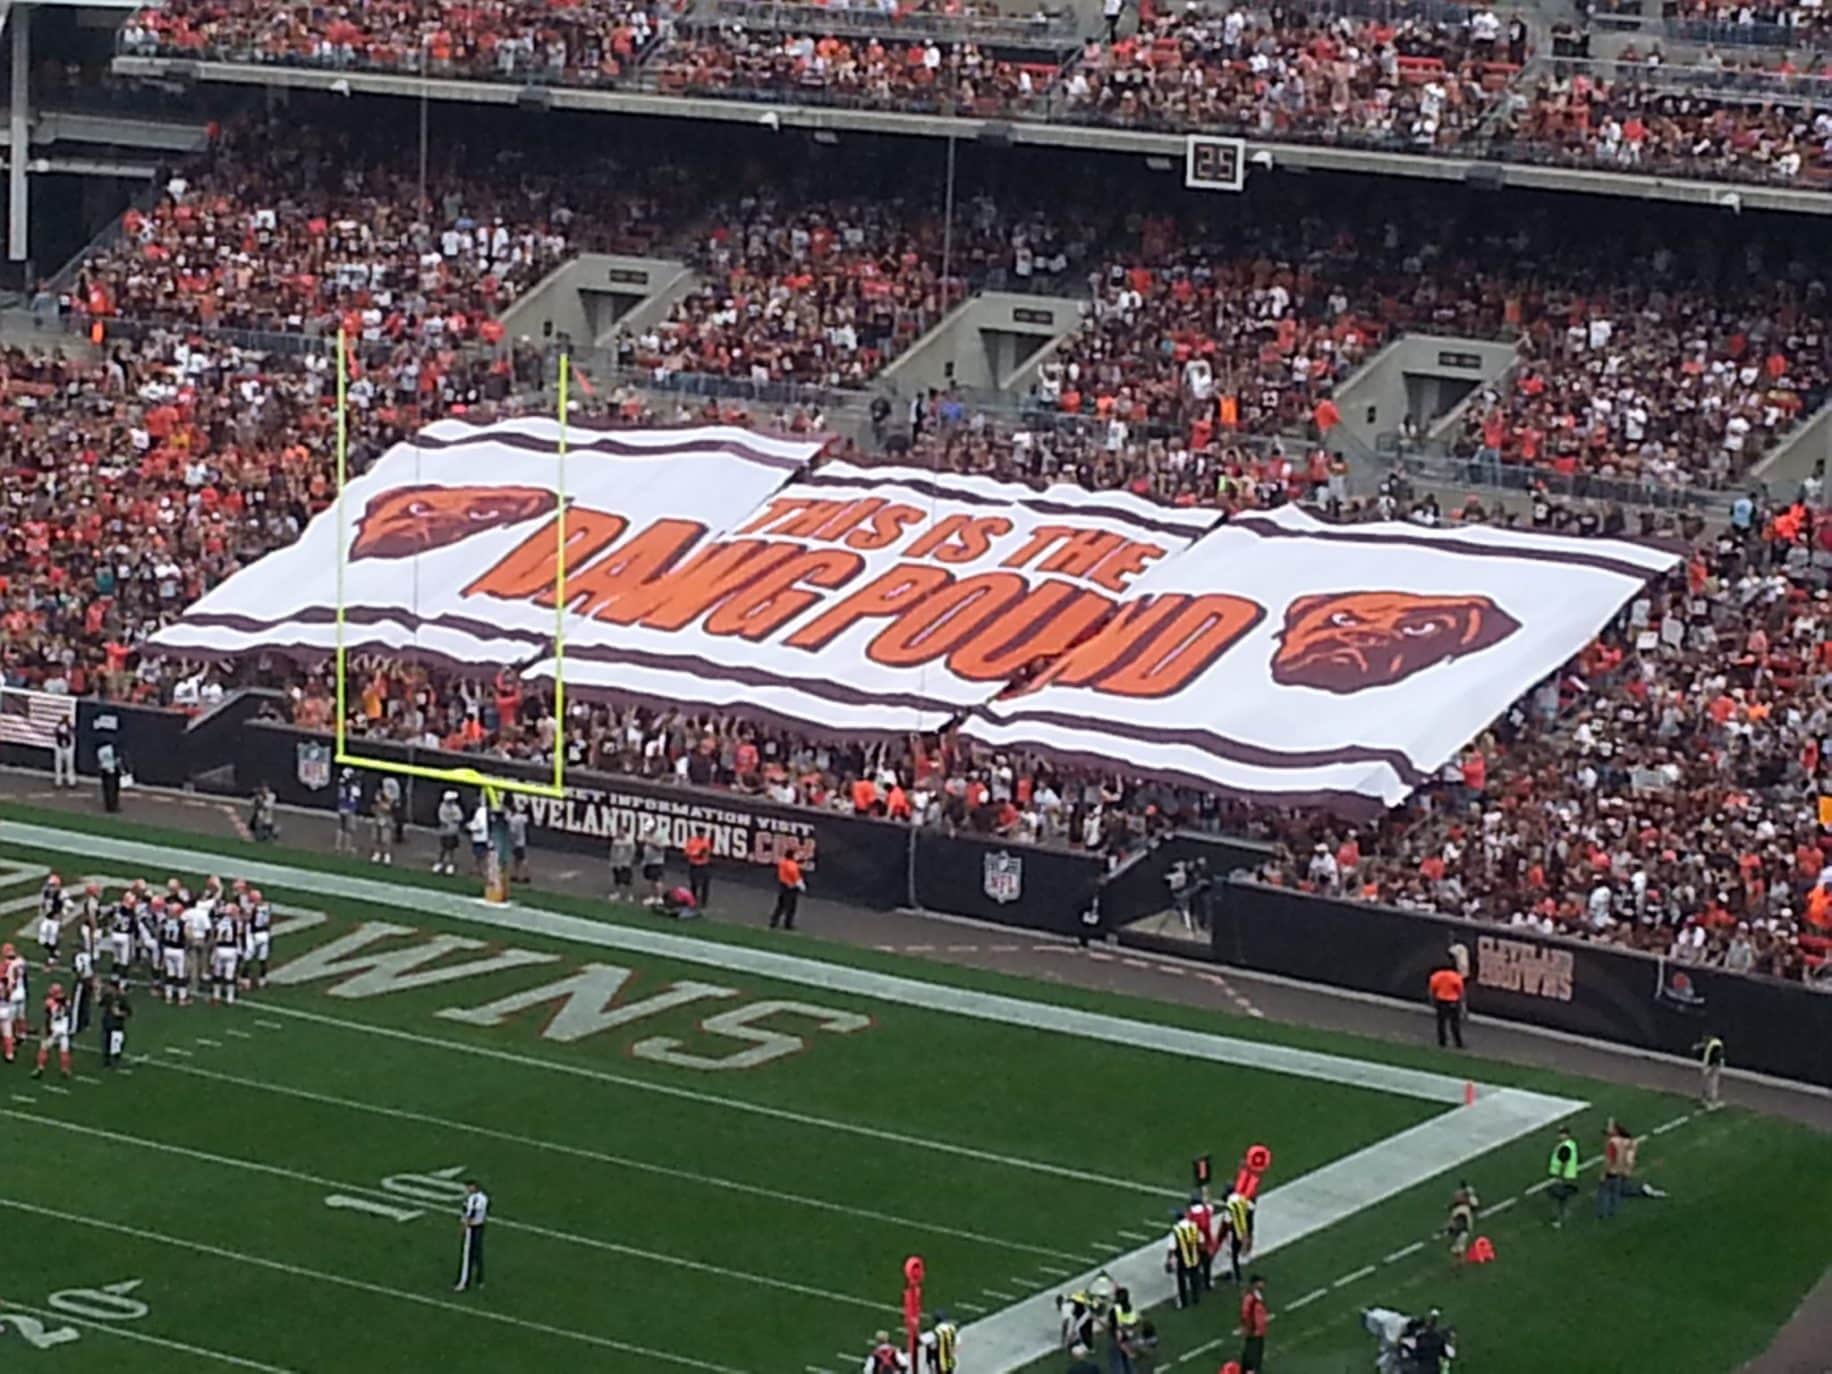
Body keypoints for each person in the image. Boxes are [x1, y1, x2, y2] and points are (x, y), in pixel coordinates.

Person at [32, 983, 73, 1080]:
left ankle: (40, 1068)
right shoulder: (67, 1002)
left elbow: (48, 1016)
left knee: (44, 1048)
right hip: (64, 1030)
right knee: (64, 1050)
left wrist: (46, 1030)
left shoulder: (50, 1002)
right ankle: (65, 1069)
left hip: (54, 1029)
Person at [454, 1179, 489, 1292]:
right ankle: (480, 1280)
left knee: (467, 1256)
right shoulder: (483, 1197)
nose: (467, 1189)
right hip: (480, 1227)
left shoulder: (474, 1199)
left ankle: (464, 1283)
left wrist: (464, 1226)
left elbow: (471, 1214)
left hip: (472, 1228)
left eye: (469, 1187)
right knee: (477, 1254)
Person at [1167, 1206, 1205, 1307]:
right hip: (1195, 1256)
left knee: (1181, 1281)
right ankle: (1195, 1297)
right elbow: (1201, 1240)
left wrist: (1169, 1260)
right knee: (1194, 1277)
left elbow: (1172, 1247)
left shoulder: (1176, 1231)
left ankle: (1184, 1301)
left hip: (1182, 1259)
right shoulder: (1194, 1226)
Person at [1546, 1125, 1580, 1227]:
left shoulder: (1565, 1147)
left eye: (1561, 1133)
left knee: (1558, 1198)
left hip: (1563, 1177)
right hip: (1568, 1175)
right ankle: (1564, 1215)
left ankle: (1559, 1219)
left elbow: (1563, 1162)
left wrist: (1559, 1177)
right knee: (1563, 1198)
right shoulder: (1571, 1144)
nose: (1559, 1136)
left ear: (1566, 1134)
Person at [1237, 1274, 1270, 1374]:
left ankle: (1251, 1370)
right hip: (1254, 1331)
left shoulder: (1257, 1295)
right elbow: (1245, 1313)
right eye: (1260, 1282)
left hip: (1258, 1330)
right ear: (1255, 1284)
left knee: (1255, 1354)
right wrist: (1249, 1327)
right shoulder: (1250, 1298)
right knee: (1252, 1354)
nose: (1263, 1284)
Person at [1428, 960, 1465, 1048]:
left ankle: (1442, 1042)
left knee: (1441, 1022)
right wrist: (1462, 1004)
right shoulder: (1456, 977)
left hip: (1441, 1001)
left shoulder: (1436, 976)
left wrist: (1432, 1001)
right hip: (1453, 1001)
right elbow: (1461, 992)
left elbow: (1432, 990)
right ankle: (1458, 1043)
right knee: (1454, 1023)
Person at [770, 845, 806, 931]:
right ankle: (788, 924)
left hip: (783, 886)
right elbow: (796, 878)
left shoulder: (782, 862)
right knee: (791, 907)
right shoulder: (792, 866)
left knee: (781, 905)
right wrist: (802, 887)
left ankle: (774, 921)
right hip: (790, 888)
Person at [99, 977, 131, 1068]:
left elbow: (128, 1012)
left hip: (117, 1024)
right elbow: (100, 1003)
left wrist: (119, 1014)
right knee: (107, 1043)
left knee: (117, 1043)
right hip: (108, 1023)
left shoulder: (121, 998)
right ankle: (107, 1061)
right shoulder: (108, 996)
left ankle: (115, 1060)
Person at [1445, 1180, 1479, 1261]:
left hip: (1462, 1228)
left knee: (1458, 1248)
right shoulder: (1462, 1206)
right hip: (1463, 1226)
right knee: (1457, 1248)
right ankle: (1459, 1261)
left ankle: (1460, 1262)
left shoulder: (1463, 1209)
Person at [1691, 1033, 1725, 1109]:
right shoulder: (1714, 1043)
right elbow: (1717, 1055)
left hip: (1709, 1065)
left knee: (1707, 1083)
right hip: (1711, 1066)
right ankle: (1711, 1102)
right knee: (1712, 1084)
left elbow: (1716, 1055)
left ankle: (1705, 1100)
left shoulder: (1714, 1044)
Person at [683, 825, 713, 909]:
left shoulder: (706, 841)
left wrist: (702, 854)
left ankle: (704, 902)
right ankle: (692, 900)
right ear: (698, 833)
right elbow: (686, 853)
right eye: (701, 833)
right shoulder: (692, 841)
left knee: (705, 884)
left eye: (703, 833)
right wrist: (696, 854)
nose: (702, 834)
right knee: (694, 884)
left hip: (704, 865)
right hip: (694, 865)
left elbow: (707, 852)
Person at [435, 790, 464, 874]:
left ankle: (450, 865)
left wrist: (451, 819)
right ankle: (439, 863)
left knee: (451, 849)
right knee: (443, 848)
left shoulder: (456, 807)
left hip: (453, 831)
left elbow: (460, 817)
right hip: (445, 831)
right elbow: (442, 818)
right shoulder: (442, 806)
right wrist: (451, 819)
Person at [335, 769, 362, 854]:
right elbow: (358, 794)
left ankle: (337, 846)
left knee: (341, 827)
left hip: (341, 808)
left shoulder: (341, 784)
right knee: (349, 829)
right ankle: (348, 848)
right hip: (349, 808)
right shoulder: (352, 787)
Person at [609, 823, 637, 902]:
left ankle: (630, 895)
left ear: (625, 832)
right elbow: (613, 851)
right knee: (617, 879)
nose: (619, 832)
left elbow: (632, 851)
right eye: (619, 830)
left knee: (627, 880)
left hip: (625, 863)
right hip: (616, 863)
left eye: (621, 831)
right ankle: (617, 893)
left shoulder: (629, 840)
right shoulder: (616, 840)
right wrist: (613, 862)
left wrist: (629, 861)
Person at [639, 829, 666, 907]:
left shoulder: (660, 837)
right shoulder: (648, 837)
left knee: (657, 880)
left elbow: (660, 848)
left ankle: (659, 898)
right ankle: (653, 896)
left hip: (656, 862)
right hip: (648, 862)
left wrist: (650, 842)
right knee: (651, 880)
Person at [96, 736, 122, 813]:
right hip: (111, 770)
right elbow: (117, 760)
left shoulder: (100, 750)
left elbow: (99, 761)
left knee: (106, 789)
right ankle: (112, 806)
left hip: (104, 770)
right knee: (112, 790)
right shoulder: (111, 749)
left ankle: (109, 805)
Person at [371, 786, 395, 865]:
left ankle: (387, 856)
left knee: (385, 839)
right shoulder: (378, 797)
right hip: (378, 819)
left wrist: (380, 801)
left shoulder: (390, 799)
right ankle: (377, 854)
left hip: (386, 821)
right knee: (375, 838)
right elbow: (373, 809)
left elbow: (388, 808)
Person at [52, 715, 76, 788]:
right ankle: (58, 781)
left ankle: (71, 781)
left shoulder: (70, 726)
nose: (64, 719)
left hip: (68, 747)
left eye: (66, 718)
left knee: (69, 764)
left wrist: (68, 731)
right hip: (59, 747)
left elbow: (73, 733)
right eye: (63, 718)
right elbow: (54, 733)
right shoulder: (58, 725)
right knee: (58, 764)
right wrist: (58, 730)